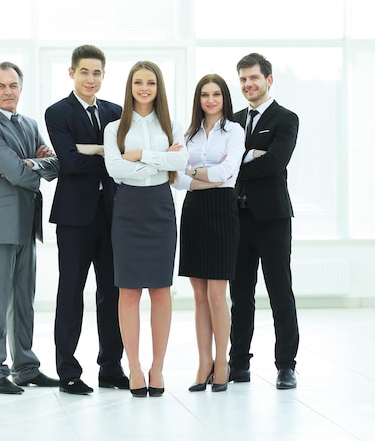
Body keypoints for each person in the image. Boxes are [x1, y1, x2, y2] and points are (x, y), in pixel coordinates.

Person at [0, 61, 61, 394]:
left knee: (24, 299)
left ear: (20, 89)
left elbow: (54, 166)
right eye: (0, 86)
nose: (7, 91)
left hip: (27, 225)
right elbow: (20, 173)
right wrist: (28, 167)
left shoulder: (29, 124)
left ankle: (25, 366)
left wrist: (33, 163)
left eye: (13, 85)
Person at [45, 45, 127, 395]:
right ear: (71, 73)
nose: (90, 79)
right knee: (71, 293)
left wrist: (88, 149)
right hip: (75, 218)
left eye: (96, 73)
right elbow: (69, 162)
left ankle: (111, 368)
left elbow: (122, 159)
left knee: (113, 293)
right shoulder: (58, 112)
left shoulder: (116, 111)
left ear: (103, 76)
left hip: (112, 215)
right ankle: (68, 372)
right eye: (84, 72)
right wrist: (105, 154)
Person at [104, 61, 188, 397]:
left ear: (158, 87)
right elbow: (114, 170)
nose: (144, 88)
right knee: (128, 291)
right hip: (127, 208)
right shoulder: (115, 128)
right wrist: (157, 160)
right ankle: (135, 367)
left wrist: (138, 157)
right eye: (138, 82)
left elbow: (180, 163)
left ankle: (157, 368)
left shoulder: (172, 125)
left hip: (160, 207)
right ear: (130, 86)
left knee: (161, 290)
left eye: (150, 82)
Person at [229, 52, 300, 389]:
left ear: (268, 79)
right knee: (240, 294)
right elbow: (219, 162)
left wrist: (237, 162)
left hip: (272, 218)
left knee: (279, 292)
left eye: (254, 78)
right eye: (243, 79)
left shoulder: (286, 118)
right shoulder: (231, 120)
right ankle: (238, 364)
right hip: (237, 218)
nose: (248, 84)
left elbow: (274, 164)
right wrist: (250, 155)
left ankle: (286, 365)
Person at [173, 74, 245, 393]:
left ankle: (222, 363)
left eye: (216, 94)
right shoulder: (187, 135)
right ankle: (203, 363)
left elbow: (227, 172)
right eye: (205, 94)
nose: (211, 100)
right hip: (194, 211)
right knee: (199, 296)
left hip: (222, 211)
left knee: (217, 295)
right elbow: (175, 178)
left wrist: (193, 173)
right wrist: (201, 176)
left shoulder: (234, 131)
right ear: (198, 99)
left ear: (224, 98)